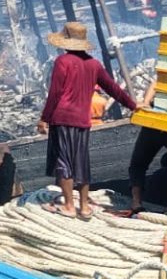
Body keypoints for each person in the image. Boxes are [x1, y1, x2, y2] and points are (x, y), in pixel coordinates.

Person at [38, 21, 138, 220]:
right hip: (82, 121)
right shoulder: (94, 64)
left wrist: (44, 118)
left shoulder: (63, 62)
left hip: (63, 118)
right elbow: (113, 88)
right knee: (81, 162)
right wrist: (133, 105)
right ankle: (84, 207)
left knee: (64, 162)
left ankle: (68, 206)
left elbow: (55, 92)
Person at [121, 81, 167, 216]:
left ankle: (136, 201)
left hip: (157, 121)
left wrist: (147, 102)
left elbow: (155, 83)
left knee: (138, 164)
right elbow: (156, 83)